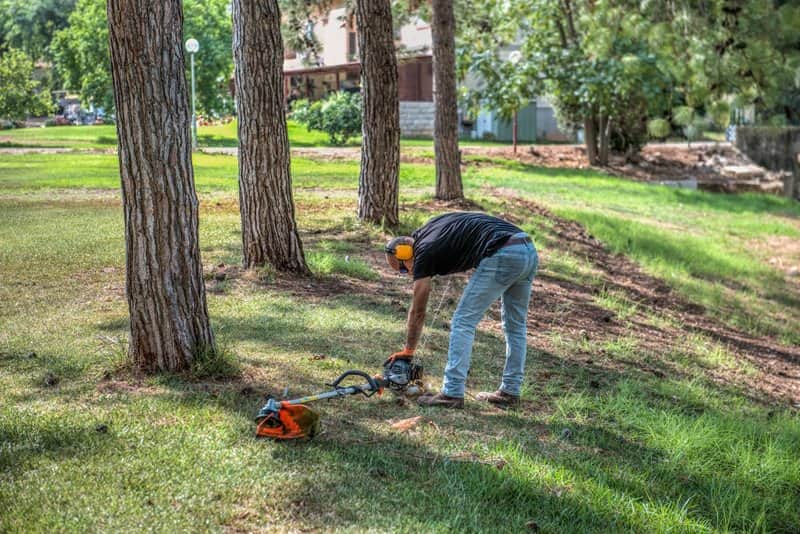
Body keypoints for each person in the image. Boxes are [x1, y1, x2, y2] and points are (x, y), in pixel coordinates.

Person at [384, 212, 538, 409]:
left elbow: (418, 311)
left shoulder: (423, 251)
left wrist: (409, 350)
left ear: (405, 252)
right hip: (527, 248)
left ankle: (452, 392)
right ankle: (510, 391)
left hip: (503, 252)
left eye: (403, 269)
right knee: (515, 326)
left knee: (462, 321)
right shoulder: (429, 230)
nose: (407, 274)